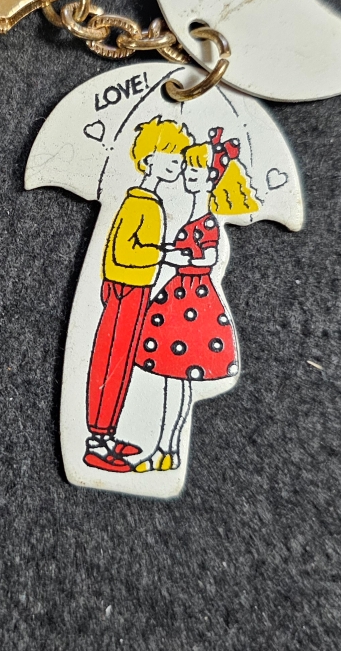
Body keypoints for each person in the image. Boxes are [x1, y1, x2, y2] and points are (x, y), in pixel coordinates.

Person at [132, 129, 259, 472]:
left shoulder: (208, 222)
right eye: (188, 168)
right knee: (173, 382)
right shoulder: (193, 217)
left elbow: (208, 259)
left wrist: (172, 257)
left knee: (178, 382)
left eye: (196, 170)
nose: (188, 173)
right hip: (179, 296)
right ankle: (165, 450)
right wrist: (171, 253)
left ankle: (166, 448)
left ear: (210, 178)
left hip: (192, 300)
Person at [83, 116, 193, 472]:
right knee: (111, 361)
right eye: (171, 155)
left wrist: (162, 254)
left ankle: (107, 435)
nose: (177, 163)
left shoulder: (150, 201)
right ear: (149, 159)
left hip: (136, 290)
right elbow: (122, 252)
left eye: (179, 157)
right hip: (126, 291)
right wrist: (164, 254)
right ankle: (97, 443)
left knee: (122, 363)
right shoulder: (138, 203)